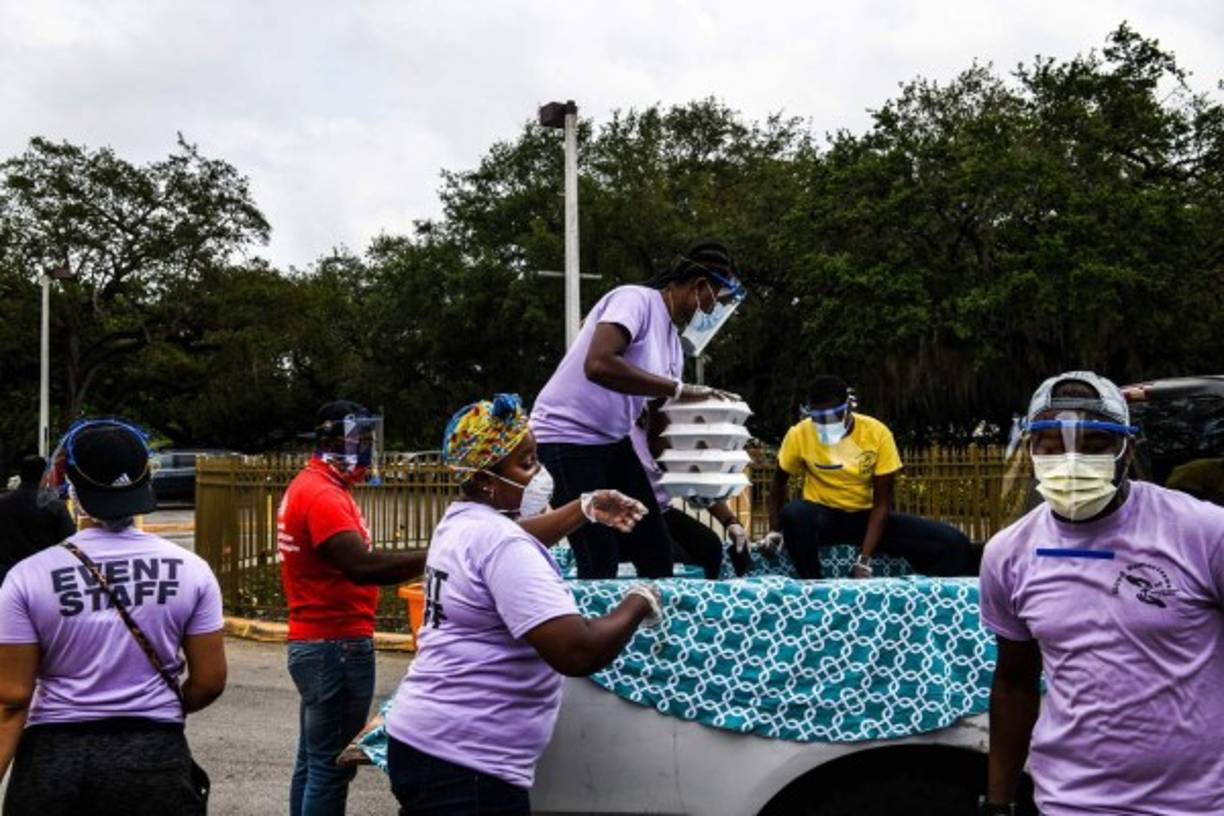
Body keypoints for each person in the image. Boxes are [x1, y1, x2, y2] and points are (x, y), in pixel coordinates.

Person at [385, 393, 663, 815]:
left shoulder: (460, 523)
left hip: (424, 741)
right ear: (485, 480)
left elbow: (514, 539)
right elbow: (577, 651)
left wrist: (584, 508)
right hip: (467, 765)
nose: (541, 475)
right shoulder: (500, 543)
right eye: (527, 464)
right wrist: (638, 602)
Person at [980, 371, 1224, 815]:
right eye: (1051, 445)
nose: (1071, 462)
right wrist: (998, 804)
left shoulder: (1203, 532)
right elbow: (1014, 682)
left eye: (1094, 445)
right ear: (1031, 449)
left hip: (1201, 803)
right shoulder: (1009, 554)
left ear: (1126, 448)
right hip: (1072, 802)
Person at [0, 419, 226, 814]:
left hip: (54, 760)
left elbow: (13, 698)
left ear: (70, 485)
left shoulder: (27, 577)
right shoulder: (192, 570)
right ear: (145, 479)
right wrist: (155, 710)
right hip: (154, 755)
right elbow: (208, 682)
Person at [530, 238, 747, 579]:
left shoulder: (673, 346)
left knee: (655, 549)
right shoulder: (635, 300)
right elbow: (598, 364)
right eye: (715, 301)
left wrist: (704, 475)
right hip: (566, 437)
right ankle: (585, 615)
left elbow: (660, 434)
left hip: (612, 442)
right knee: (599, 556)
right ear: (699, 286)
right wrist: (678, 389)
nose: (712, 312)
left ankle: (654, 614)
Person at [278, 401, 428, 816]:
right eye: (359, 441)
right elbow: (361, 566)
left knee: (313, 762)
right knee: (331, 768)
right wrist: (437, 554)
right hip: (336, 645)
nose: (366, 450)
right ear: (333, 442)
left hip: (319, 643)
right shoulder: (322, 495)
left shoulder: (315, 485)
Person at [763, 376, 973, 579]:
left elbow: (882, 504)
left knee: (954, 543)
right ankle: (813, 583)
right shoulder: (799, 434)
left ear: (848, 408)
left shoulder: (877, 433)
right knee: (795, 513)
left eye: (833, 417)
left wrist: (864, 559)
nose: (826, 424)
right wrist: (775, 530)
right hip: (823, 519)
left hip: (866, 519)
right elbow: (778, 484)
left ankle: (924, 588)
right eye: (819, 419)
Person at [629, 419, 749, 578]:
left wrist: (731, 522)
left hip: (662, 511)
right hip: (630, 515)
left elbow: (696, 482)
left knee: (710, 546)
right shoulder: (624, 432)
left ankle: (708, 591)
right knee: (674, 559)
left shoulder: (669, 430)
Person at [0, 455, 76, 586]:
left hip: (7, 575)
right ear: (45, 475)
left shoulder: (3, 503)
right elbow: (69, 540)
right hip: (44, 575)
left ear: (21, 475)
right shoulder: (54, 505)